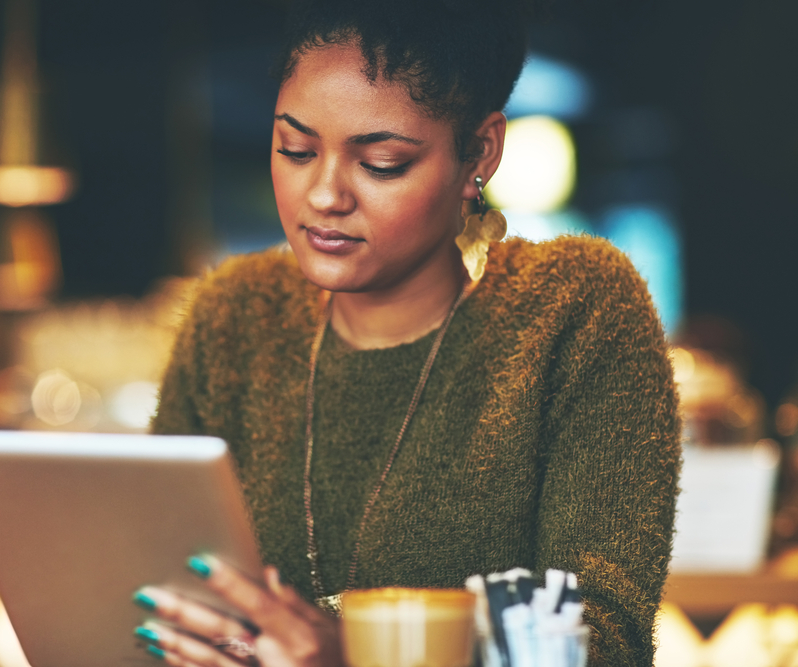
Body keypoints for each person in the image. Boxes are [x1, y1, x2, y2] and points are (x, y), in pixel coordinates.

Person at [142, 1, 681, 665]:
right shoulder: (234, 316)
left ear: (479, 152)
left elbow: (604, 639)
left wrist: (358, 651)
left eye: (383, 162)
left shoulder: (574, 308)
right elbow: (162, 593)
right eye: (296, 149)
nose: (324, 195)